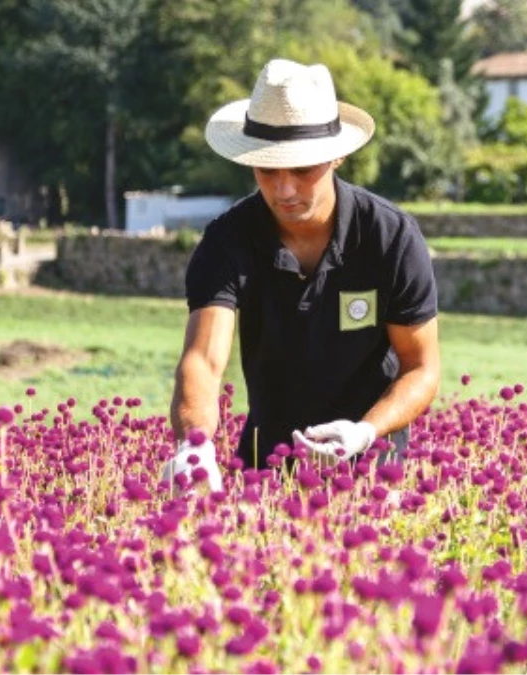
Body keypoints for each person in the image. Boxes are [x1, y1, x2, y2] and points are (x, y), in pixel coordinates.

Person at [161, 58, 440, 493]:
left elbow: (420, 367)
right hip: (266, 467)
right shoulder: (227, 241)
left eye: (302, 170)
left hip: (372, 469)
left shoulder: (390, 236)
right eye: (267, 170)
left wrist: (364, 432)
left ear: (336, 156)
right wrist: (193, 447)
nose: (284, 189)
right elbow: (203, 359)